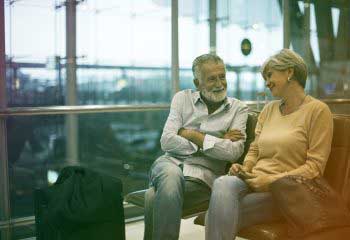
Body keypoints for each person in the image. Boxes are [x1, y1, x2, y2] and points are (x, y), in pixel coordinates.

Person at [205, 49, 334, 240]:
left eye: (270, 75)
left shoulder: (318, 111)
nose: (266, 82)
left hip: (286, 192)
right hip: (253, 180)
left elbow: (315, 168)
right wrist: (245, 166)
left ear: (289, 72)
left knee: (215, 214)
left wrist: (271, 181)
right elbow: (255, 148)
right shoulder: (268, 109)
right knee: (223, 183)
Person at [144, 53, 248, 240]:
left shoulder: (238, 109)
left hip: (203, 177)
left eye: (222, 76)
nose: (220, 84)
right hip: (169, 163)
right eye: (211, 79)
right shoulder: (182, 99)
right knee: (171, 176)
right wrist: (211, 142)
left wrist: (192, 134)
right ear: (197, 83)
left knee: (152, 196)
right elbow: (166, 141)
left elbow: (234, 151)